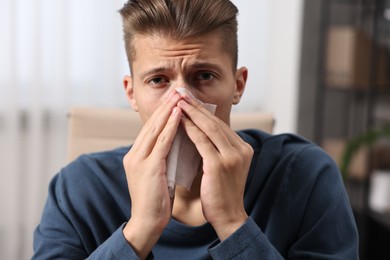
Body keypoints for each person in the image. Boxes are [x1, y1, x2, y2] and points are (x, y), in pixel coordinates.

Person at [32, 0, 359, 259]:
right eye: (158, 80)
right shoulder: (79, 187)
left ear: (238, 84)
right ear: (131, 93)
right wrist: (140, 230)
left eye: (204, 75)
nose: (181, 100)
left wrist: (233, 223)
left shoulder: (305, 175)